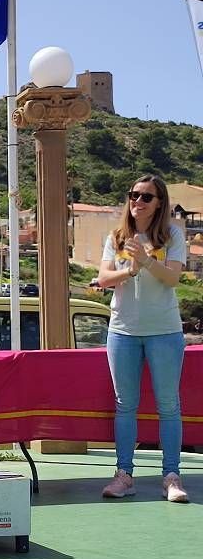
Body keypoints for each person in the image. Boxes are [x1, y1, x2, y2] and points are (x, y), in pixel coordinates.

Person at [94, 174, 189, 503]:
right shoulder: (118, 236)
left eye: (146, 197)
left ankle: (172, 477)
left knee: (168, 405)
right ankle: (124, 476)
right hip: (123, 332)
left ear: (159, 202)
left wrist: (147, 260)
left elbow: (173, 277)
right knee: (124, 405)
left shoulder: (173, 235)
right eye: (133, 195)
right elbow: (104, 278)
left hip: (164, 331)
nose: (137, 201)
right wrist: (130, 270)